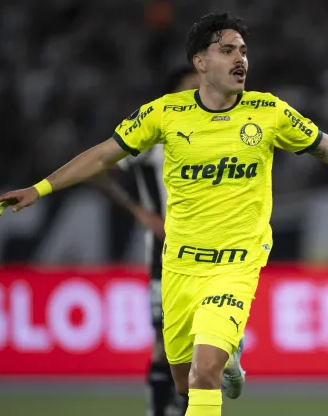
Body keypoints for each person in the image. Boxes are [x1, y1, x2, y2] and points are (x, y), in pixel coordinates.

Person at [0, 12, 328, 416]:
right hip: (179, 264)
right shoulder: (164, 114)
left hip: (235, 261)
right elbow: (102, 155)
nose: (241, 59)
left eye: (243, 51)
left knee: (204, 373)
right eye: (228, 50)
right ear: (201, 62)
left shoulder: (269, 112)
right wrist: (40, 187)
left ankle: (222, 356)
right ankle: (230, 355)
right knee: (182, 383)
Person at [90, 66, 200, 416]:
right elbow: (100, 169)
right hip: (165, 254)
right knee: (166, 341)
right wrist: (139, 211)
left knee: (201, 341)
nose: (199, 92)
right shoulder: (155, 131)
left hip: (209, 252)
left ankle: (181, 408)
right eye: (190, 87)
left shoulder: (212, 131)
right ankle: (159, 409)